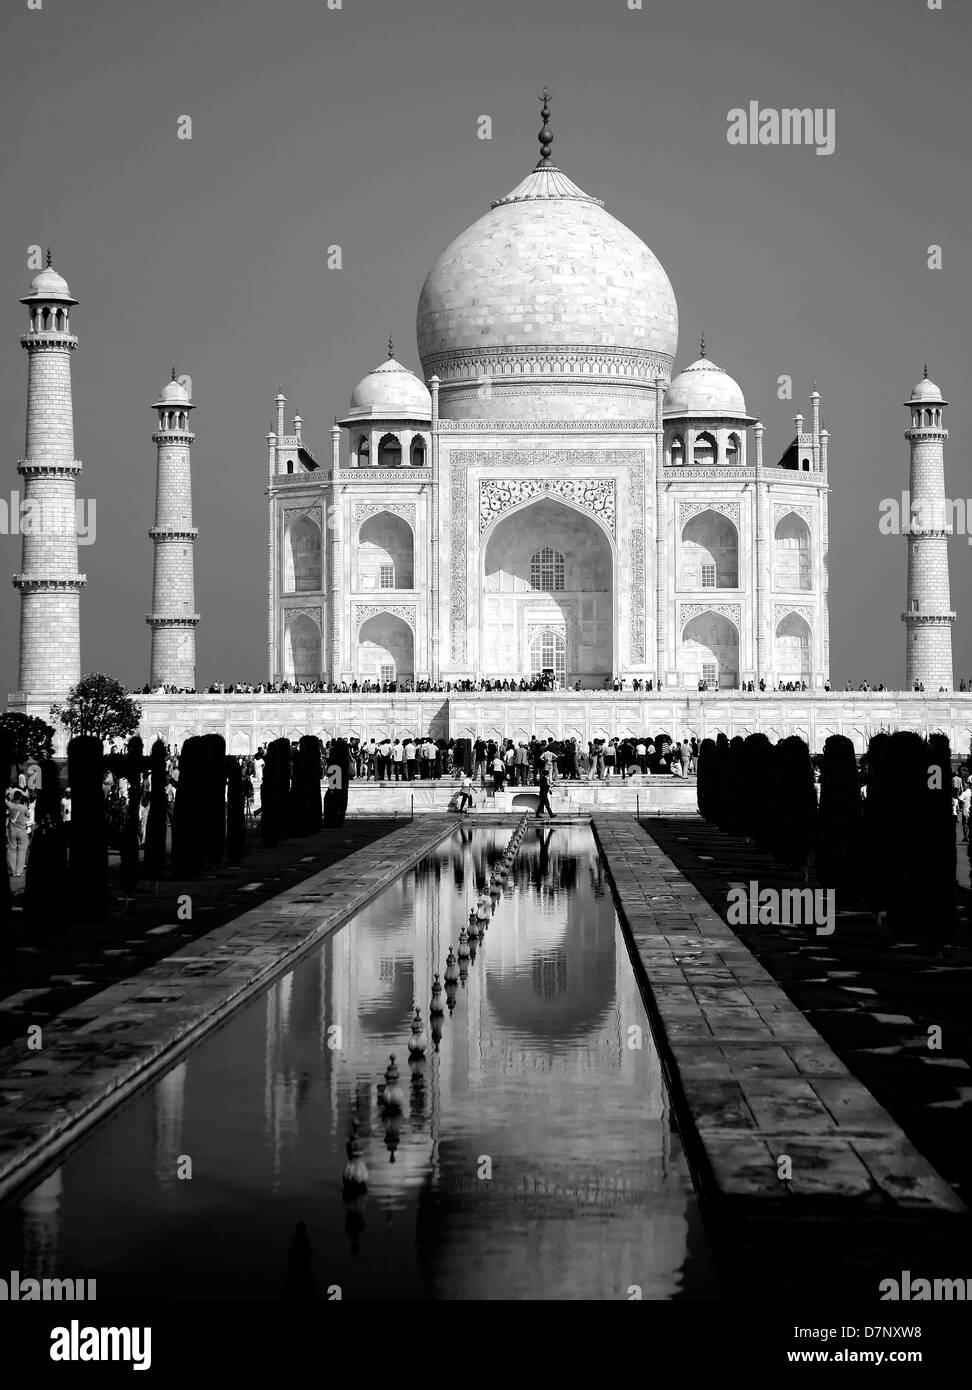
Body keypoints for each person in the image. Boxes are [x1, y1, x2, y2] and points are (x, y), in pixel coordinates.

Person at [6, 787, 31, 878]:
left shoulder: (10, 805)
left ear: (13, 797)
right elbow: (28, 815)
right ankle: (19, 871)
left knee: (11, 850)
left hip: (12, 831)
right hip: (22, 832)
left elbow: (7, 799)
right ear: (20, 798)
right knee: (22, 851)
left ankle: (12, 871)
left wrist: (10, 796)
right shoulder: (24, 807)